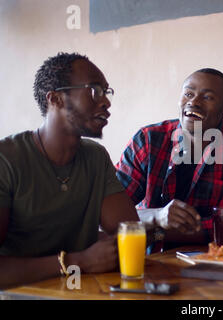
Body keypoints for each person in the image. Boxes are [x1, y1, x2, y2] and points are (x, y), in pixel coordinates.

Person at [0, 53, 141, 289]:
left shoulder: (95, 157)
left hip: (80, 291)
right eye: (95, 90)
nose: (106, 102)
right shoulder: (7, 159)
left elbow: (127, 234)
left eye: (107, 92)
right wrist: (77, 261)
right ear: (55, 98)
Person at [116, 68, 223, 250]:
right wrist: (157, 216)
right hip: (144, 260)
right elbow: (108, 212)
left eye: (207, 97)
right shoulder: (148, 140)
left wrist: (156, 233)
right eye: (188, 94)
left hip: (210, 263)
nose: (194, 102)